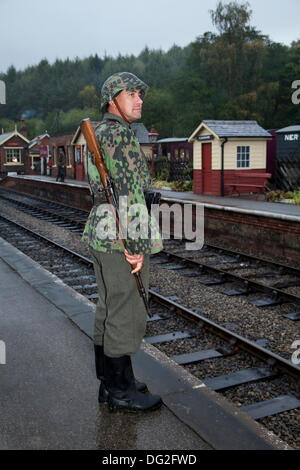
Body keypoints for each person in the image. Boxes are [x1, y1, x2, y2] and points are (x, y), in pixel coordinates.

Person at [82, 72, 163, 413]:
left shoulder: (101, 133)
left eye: (139, 93)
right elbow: (129, 193)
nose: (139, 98)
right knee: (125, 309)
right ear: (113, 101)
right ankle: (121, 392)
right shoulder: (120, 135)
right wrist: (135, 247)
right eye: (131, 93)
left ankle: (113, 382)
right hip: (121, 233)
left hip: (103, 229)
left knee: (108, 306)